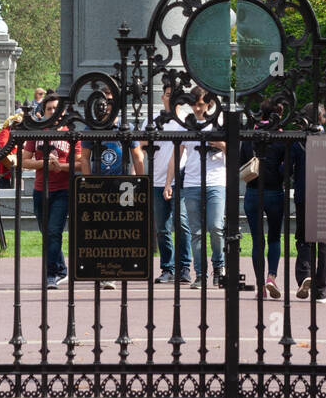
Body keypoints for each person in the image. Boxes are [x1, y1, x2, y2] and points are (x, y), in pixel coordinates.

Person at [80, 85, 144, 290]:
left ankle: (113, 271)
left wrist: (139, 183)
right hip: (100, 184)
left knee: (120, 230)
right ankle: (102, 269)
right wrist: (89, 184)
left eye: (109, 101)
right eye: (103, 101)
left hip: (123, 184)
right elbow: (85, 158)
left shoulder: (125, 127)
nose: (106, 106)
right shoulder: (93, 128)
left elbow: (137, 156)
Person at [21, 94, 81, 289]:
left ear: (62, 111)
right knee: (47, 233)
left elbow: (80, 163)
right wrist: (45, 163)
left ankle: (51, 274)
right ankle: (61, 268)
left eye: (56, 108)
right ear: (43, 112)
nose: (53, 112)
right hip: (41, 190)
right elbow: (24, 160)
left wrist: (60, 167)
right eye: (49, 109)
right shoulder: (37, 133)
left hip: (63, 190)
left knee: (54, 231)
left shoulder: (71, 134)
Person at [171, 86, 226, 289]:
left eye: (200, 103)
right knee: (196, 232)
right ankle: (201, 274)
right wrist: (170, 181)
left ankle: (219, 268)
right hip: (192, 182)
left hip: (216, 180)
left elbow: (232, 150)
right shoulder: (187, 124)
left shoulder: (218, 122)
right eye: (193, 104)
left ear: (209, 103)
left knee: (216, 227)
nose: (196, 107)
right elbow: (176, 154)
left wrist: (218, 143)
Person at [240, 103, 286, 300]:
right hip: (274, 192)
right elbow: (286, 168)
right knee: (275, 238)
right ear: (279, 115)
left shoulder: (251, 136)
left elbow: (242, 162)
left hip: (252, 192)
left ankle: (260, 286)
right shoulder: (282, 137)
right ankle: (271, 277)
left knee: (258, 241)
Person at [290, 102, 326, 304]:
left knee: (305, 238)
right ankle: (322, 289)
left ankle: (305, 275)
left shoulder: (299, 140)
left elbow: (287, 169)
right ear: (322, 119)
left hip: (304, 195)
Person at [152, 84, 193, 285]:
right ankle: (167, 268)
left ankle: (185, 266)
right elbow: (139, 146)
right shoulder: (152, 121)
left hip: (181, 179)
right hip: (157, 180)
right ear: (162, 98)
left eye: (174, 95)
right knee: (161, 227)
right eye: (168, 95)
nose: (171, 98)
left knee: (182, 222)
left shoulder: (186, 120)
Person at [0, 112, 22, 188]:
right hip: (3, 171)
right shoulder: (5, 132)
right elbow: (3, 146)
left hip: (7, 171)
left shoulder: (10, 132)